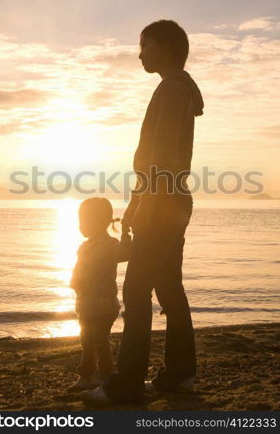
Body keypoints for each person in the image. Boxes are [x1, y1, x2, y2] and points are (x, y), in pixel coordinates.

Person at [82, 20, 204, 406]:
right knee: (169, 288)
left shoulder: (170, 89)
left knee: (136, 291)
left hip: (163, 200)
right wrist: (138, 202)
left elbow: (162, 154)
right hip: (172, 199)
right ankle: (180, 375)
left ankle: (127, 383)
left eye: (145, 45)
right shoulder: (180, 89)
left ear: (166, 47)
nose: (140, 53)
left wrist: (147, 203)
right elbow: (161, 158)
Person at [69, 197, 131, 391]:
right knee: (86, 339)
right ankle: (85, 375)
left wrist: (127, 234)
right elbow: (78, 271)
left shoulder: (110, 244)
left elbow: (124, 254)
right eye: (81, 220)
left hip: (104, 304)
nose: (82, 225)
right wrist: (76, 285)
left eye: (86, 220)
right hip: (86, 303)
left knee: (99, 338)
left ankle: (104, 374)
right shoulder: (83, 247)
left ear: (103, 221)